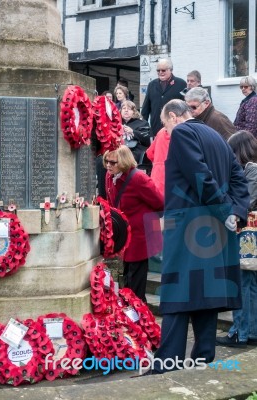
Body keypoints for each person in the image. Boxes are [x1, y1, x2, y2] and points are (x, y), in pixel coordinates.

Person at [147, 99, 249, 374]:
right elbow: (239, 178)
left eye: (165, 126)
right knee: (208, 295)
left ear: (173, 117)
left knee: (177, 294)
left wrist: (222, 207)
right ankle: (203, 360)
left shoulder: (182, 132)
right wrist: (234, 213)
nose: (166, 133)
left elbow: (198, 174)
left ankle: (167, 365)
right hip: (217, 228)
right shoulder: (215, 135)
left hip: (189, 225)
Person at [103, 145, 163, 302]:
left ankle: (139, 317)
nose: (108, 165)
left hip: (141, 236)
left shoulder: (138, 178)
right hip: (125, 237)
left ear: (123, 162)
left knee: (136, 283)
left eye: (112, 162)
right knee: (128, 279)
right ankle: (131, 315)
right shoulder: (110, 176)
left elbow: (159, 202)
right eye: (106, 161)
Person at [216, 130, 257, 348]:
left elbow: (245, 202)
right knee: (250, 284)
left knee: (241, 283)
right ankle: (250, 331)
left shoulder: (251, 171)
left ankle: (239, 333)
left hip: (246, 236)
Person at [141, 58, 186, 137]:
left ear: (170, 70)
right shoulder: (152, 85)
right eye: (158, 70)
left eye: (163, 70)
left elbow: (185, 108)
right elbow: (145, 109)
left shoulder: (181, 84)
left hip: (175, 130)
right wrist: (145, 128)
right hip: (156, 130)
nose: (160, 72)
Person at [120, 100, 152, 164]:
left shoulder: (142, 123)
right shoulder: (116, 123)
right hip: (119, 150)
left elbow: (148, 140)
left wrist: (133, 132)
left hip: (135, 152)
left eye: (129, 109)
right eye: (124, 108)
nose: (126, 110)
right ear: (120, 111)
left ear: (134, 112)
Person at [146, 127, 171, 198]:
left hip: (157, 173)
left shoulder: (161, 132)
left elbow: (149, 153)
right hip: (173, 174)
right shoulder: (183, 132)